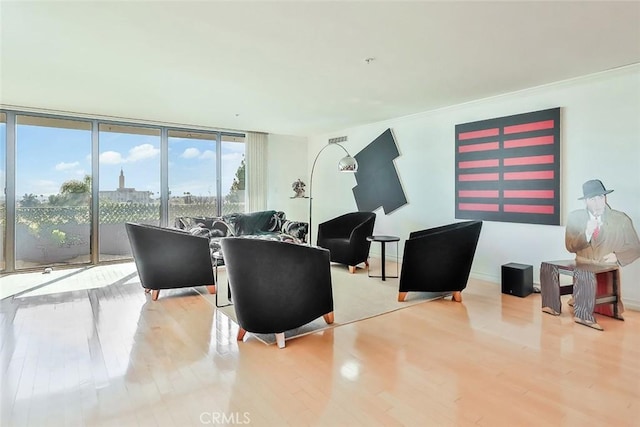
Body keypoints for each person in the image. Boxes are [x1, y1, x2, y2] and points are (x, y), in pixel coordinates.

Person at [564, 179, 640, 326]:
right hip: (583, 272)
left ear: (605, 198)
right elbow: (569, 246)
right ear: (586, 201)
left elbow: (636, 248)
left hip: (607, 273)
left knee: (607, 307)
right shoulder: (575, 217)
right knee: (582, 304)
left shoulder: (621, 219)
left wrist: (618, 256)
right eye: (593, 199)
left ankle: (607, 311)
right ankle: (581, 310)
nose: (599, 203)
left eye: (601, 197)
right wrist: (586, 233)